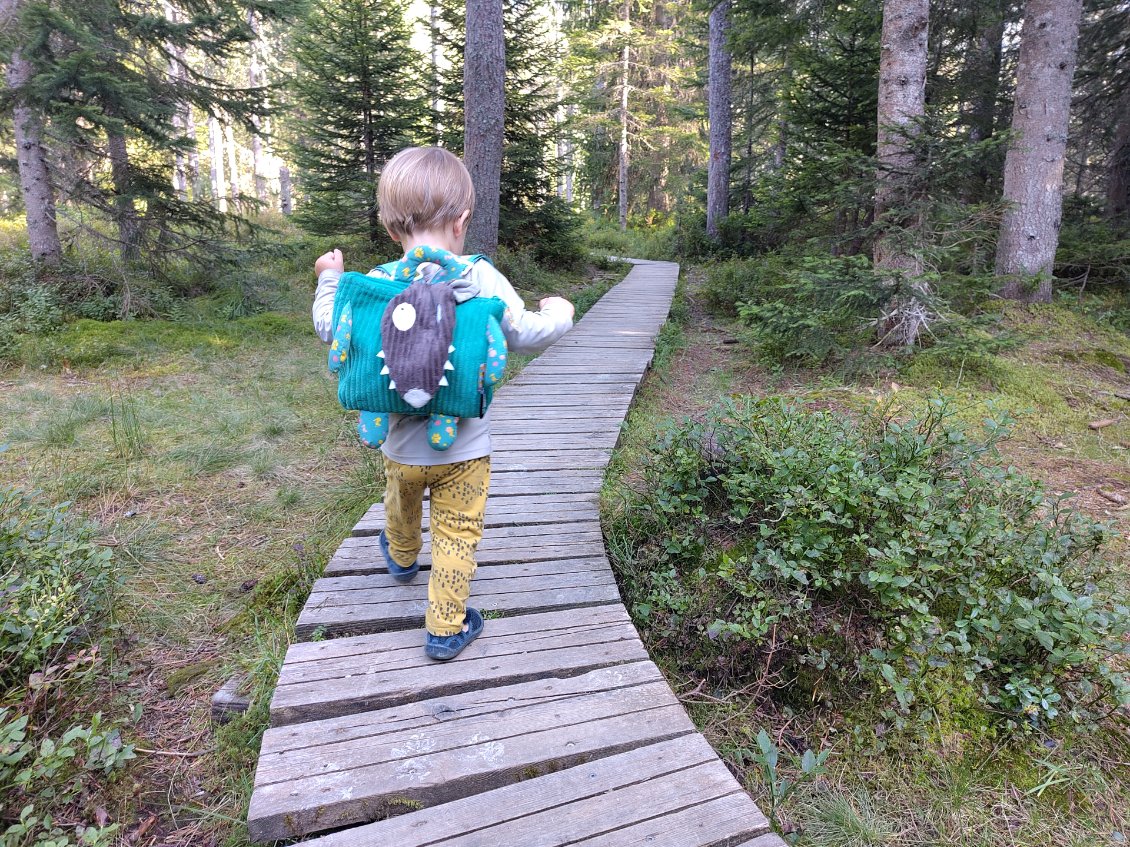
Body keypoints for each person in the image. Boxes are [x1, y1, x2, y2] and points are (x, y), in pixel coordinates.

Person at [311, 146, 575, 660]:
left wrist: (328, 276)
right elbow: (526, 333)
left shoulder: (379, 281)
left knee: (402, 502)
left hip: (399, 448)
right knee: (457, 535)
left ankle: (403, 557)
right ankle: (446, 627)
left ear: (391, 231)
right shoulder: (480, 277)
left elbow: (328, 326)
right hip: (466, 451)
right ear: (462, 222)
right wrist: (561, 312)